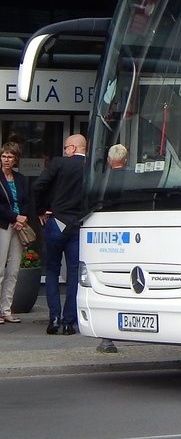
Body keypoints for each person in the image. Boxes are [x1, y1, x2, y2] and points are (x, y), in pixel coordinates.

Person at [33, 134, 87, 335]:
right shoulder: (91, 167)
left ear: (73, 148)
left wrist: (41, 210)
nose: (64, 151)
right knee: (74, 272)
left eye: (66, 148)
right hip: (78, 224)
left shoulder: (58, 163)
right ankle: (68, 323)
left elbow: (38, 186)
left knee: (52, 271)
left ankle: (54, 318)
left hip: (56, 222)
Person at [0, 142, 33, 324]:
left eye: (10, 156)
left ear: (15, 159)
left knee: (13, 271)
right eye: (4, 156)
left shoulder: (20, 178)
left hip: (19, 226)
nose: (6, 160)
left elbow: (27, 201)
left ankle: (6, 310)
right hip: (3, 225)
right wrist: (15, 217)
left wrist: (23, 218)